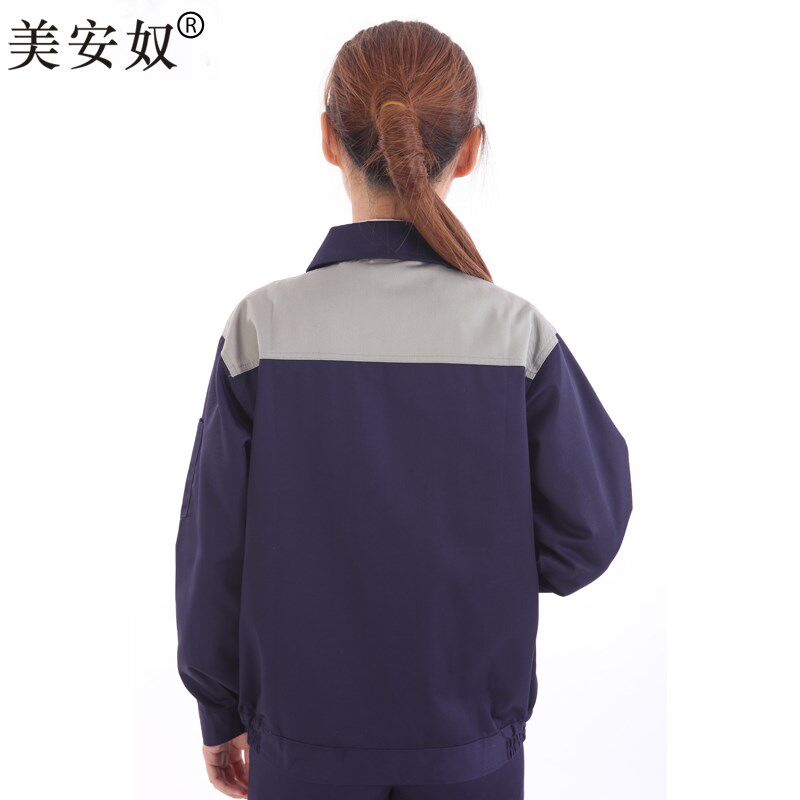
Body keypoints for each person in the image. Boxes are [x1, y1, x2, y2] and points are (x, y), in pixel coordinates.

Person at [176, 20, 632, 800]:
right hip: (471, 749)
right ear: (470, 149)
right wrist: (476, 570)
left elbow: (213, 544)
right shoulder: (515, 333)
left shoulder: (261, 329)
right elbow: (589, 528)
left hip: (300, 746)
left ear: (328, 138)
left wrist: (218, 709)